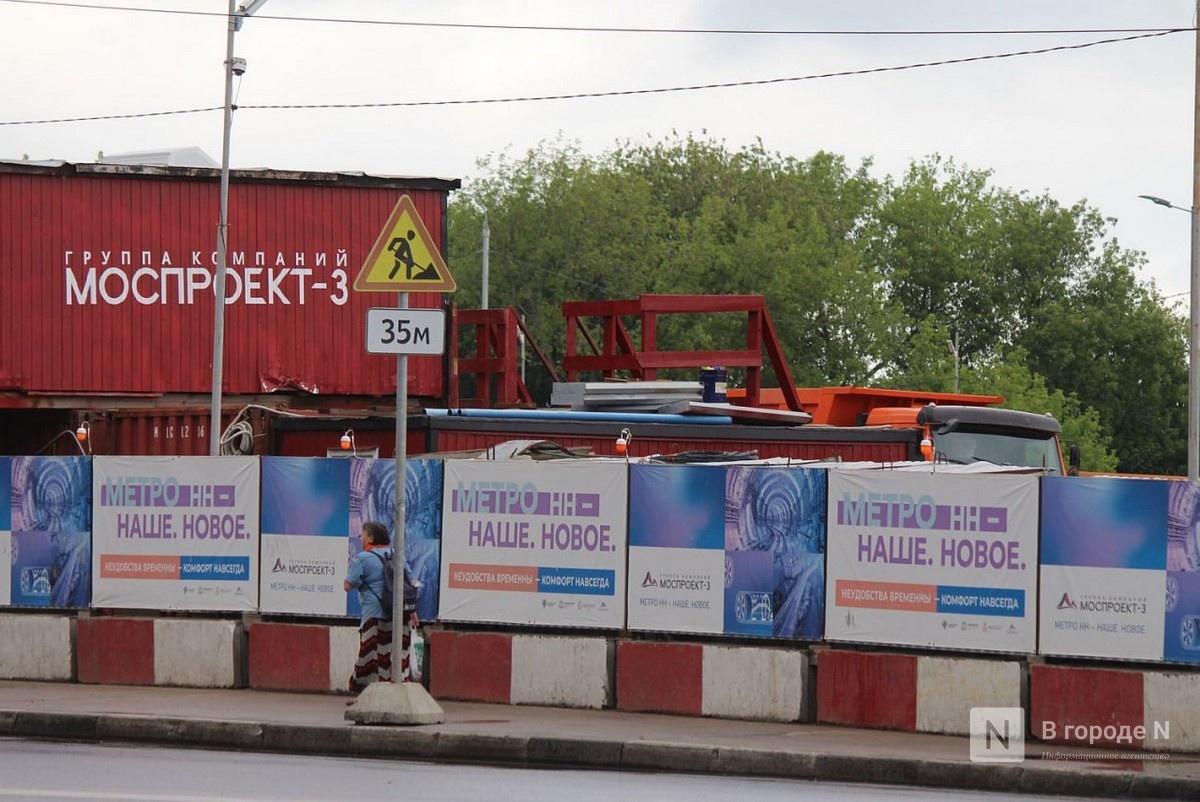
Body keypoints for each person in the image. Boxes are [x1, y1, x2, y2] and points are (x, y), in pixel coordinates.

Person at [342, 521, 419, 698]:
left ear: (371, 537)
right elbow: (410, 581)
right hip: (399, 616)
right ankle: (396, 695)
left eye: (362, 534)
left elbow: (347, 585)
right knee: (395, 657)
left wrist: (364, 583)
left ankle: (365, 697)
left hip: (374, 616)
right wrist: (412, 610)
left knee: (369, 659)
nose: (360, 538)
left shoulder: (363, 558)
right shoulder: (396, 555)